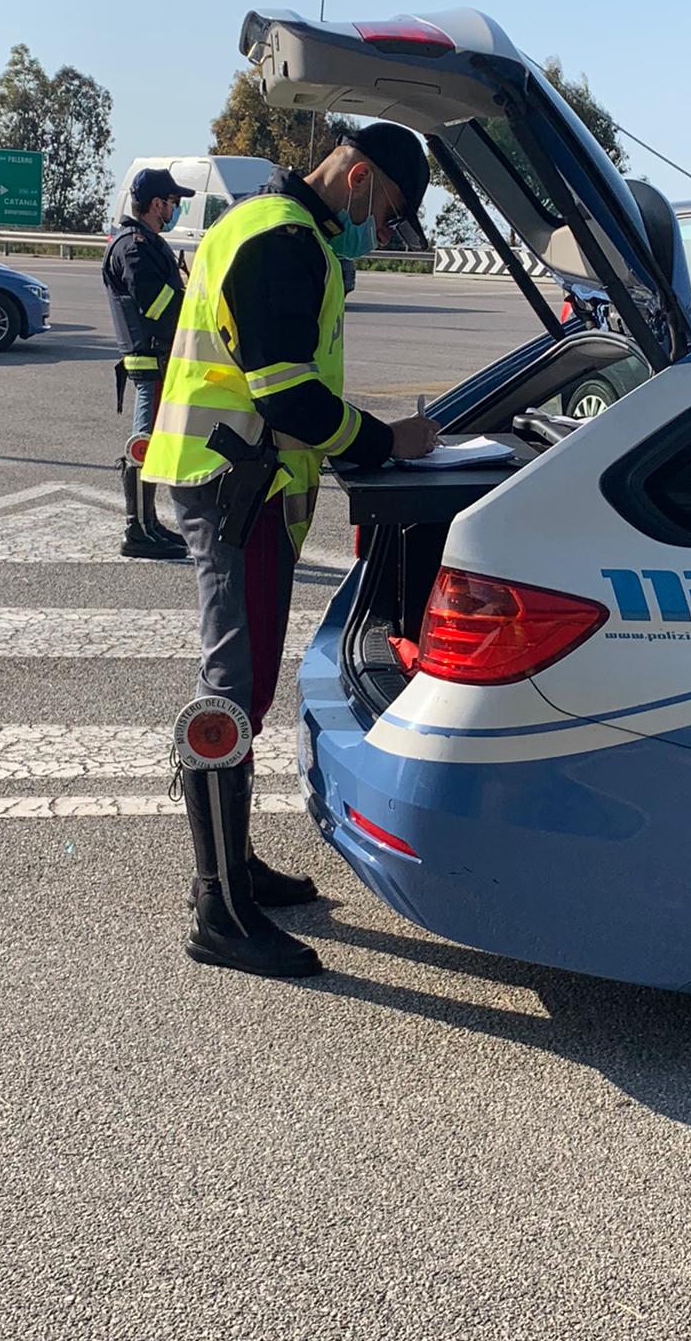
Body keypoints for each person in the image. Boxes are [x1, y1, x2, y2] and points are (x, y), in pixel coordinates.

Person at [143, 123, 439, 978]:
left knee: (242, 684)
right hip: (240, 486)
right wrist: (389, 444)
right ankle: (220, 911)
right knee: (230, 691)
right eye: (384, 211)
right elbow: (288, 395)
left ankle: (233, 869)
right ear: (358, 177)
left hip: (236, 480)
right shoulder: (285, 240)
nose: (377, 233)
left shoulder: (266, 220)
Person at [102, 168, 193, 559]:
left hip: (160, 357)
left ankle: (149, 524)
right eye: (174, 203)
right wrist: (196, 305)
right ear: (157, 204)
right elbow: (155, 306)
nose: (176, 209)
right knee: (144, 445)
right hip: (150, 358)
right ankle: (137, 530)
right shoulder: (134, 246)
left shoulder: (146, 242)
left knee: (151, 444)